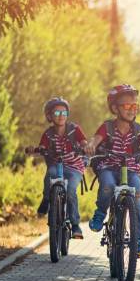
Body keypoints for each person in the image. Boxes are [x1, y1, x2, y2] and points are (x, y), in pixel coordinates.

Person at [85, 84, 140, 256]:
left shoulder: (139, 130)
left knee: (138, 196)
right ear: (115, 108)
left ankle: (139, 239)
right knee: (107, 186)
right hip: (108, 167)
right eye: (127, 106)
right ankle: (100, 213)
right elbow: (95, 139)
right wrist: (91, 146)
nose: (131, 109)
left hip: (131, 170)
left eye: (135, 106)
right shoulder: (107, 127)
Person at [37, 97, 88, 239]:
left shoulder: (74, 129)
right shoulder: (48, 134)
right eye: (57, 113)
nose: (61, 116)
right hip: (56, 165)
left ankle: (75, 224)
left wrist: (86, 148)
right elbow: (42, 146)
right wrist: (37, 149)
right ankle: (47, 199)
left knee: (71, 190)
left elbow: (84, 142)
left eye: (64, 113)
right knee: (50, 175)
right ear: (49, 116)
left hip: (74, 167)